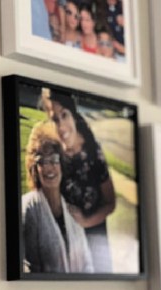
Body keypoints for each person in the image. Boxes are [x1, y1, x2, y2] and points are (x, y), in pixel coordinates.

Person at [42, 89, 116, 272]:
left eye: (64, 115)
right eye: (55, 119)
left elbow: (110, 203)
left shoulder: (92, 150)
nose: (61, 126)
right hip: (67, 243)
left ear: (73, 115)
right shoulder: (55, 154)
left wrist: (85, 222)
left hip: (95, 239)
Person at [21, 122, 94, 273]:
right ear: (35, 167)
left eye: (54, 159)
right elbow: (29, 271)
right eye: (42, 161)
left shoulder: (72, 209)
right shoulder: (29, 208)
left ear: (62, 162)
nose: (49, 167)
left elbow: (88, 264)